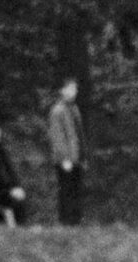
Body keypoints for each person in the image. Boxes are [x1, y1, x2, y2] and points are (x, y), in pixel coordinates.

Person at [47, 77, 85, 225]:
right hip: (65, 159)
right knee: (66, 191)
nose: (74, 92)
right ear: (62, 91)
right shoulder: (57, 111)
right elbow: (57, 137)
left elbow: (79, 135)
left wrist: (82, 156)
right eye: (70, 89)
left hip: (76, 157)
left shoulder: (74, 109)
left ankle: (76, 222)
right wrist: (64, 159)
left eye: (75, 89)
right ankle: (66, 222)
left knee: (76, 190)